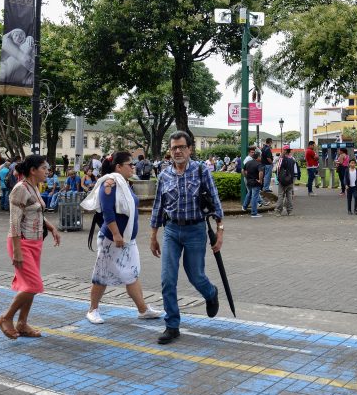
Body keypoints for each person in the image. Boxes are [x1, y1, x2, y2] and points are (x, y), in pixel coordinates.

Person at [150, 131, 224, 345]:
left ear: (190, 149)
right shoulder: (164, 175)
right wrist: (153, 235)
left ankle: (210, 293)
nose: (178, 151)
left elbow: (216, 203)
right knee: (167, 279)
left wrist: (220, 231)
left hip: (195, 230)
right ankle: (172, 325)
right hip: (171, 230)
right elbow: (158, 206)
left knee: (196, 276)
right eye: (174, 148)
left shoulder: (201, 171)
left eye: (182, 147)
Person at [82, 151, 161, 324]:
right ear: (118, 167)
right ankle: (92, 309)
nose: (133, 167)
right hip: (112, 239)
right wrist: (116, 234)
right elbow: (108, 212)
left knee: (132, 274)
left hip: (127, 240)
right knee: (101, 275)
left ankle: (143, 309)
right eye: (129, 165)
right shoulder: (109, 184)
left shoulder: (124, 183)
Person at [0, 155, 61, 340]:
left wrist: (51, 227)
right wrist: (16, 250)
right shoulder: (20, 189)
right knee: (33, 285)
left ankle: (22, 323)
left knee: (29, 285)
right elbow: (14, 222)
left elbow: (36, 212)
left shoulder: (34, 187)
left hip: (35, 243)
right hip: (21, 243)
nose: (47, 171)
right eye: (44, 168)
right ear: (33, 170)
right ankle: (6, 318)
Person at [274, 145, 298, 216]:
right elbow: (295, 172)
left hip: (282, 180)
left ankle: (278, 211)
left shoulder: (281, 159)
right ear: (289, 151)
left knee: (281, 195)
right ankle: (290, 211)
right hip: (290, 180)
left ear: (284, 151)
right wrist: (292, 180)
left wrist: (278, 178)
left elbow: (277, 169)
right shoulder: (293, 160)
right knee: (289, 196)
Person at [242, 148, 264, 217]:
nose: (261, 158)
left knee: (249, 194)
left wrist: (246, 176)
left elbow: (243, 170)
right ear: (257, 157)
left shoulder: (248, 163)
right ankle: (254, 212)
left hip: (249, 181)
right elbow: (261, 172)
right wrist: (260, 180)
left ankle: (244, 207)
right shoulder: (259, 164)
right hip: (255, 182)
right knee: (254, 197)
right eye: (260, 157)